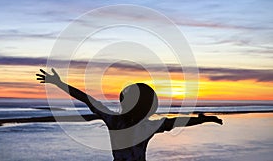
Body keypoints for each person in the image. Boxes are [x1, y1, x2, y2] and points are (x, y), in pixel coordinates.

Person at [36, 68, 223, 161]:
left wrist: (202, 119)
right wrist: (202, 119)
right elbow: (177, 122)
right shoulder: (146, 126)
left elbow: (87, 99)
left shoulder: (115, 120)